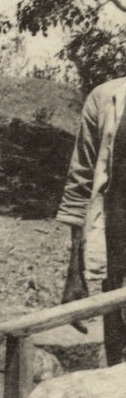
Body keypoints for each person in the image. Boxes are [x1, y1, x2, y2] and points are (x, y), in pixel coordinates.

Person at [56, 74, 126, 364]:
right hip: (117, 264)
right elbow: (80, 185)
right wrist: (76, 271)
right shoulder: (105, 98)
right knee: (118, 360)